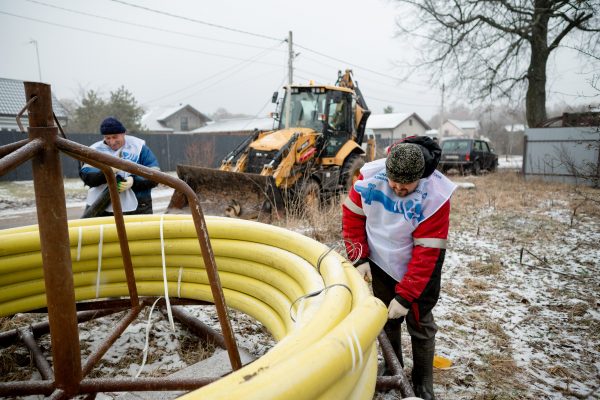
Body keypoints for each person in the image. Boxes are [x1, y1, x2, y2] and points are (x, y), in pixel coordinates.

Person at [342, 136, 456, 400]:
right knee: (386, 317)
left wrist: (406, 295)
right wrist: (358, 258)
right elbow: (352, 216)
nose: (398, 188)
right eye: (394, 181)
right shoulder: (370, 177)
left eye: (407, 184)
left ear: (421, 177)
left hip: (419, 267)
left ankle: (423, 381)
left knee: (421, 321)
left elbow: (426, 254)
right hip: (380, 259)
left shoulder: (435, 197)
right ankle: (394, 365)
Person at [80, 117, 160, 217]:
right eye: (107, 138)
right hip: (101, 208)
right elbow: (86, 175)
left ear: (123, 133)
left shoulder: (139, 148)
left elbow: (155, 175)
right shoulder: (94, 150)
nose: (112, 142)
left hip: (138, 208)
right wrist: (105, 173)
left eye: (115, 137)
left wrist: (134, 181)